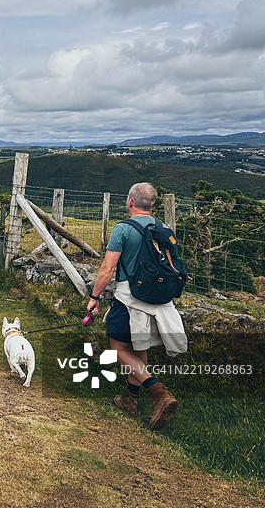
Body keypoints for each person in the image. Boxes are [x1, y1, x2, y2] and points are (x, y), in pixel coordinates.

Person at [86, 182, 187, 430]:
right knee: (139, 349)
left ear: (130, 201)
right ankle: (130, 400)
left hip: (129, 298)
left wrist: (94, 297)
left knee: (119, 349)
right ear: (151, 205)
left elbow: (108, 269)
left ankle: (159, 394)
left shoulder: (123, 228)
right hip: (158, 300)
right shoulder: (163, 228)